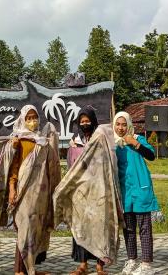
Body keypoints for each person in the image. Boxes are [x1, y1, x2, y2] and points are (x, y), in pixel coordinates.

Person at [7, 105, 59, 275]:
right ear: (23, 119)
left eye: (34, 117)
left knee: (35, 229)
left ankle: (31, 268)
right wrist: (12, 188)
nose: (32, 121)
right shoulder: (18, 140)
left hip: (40, 193)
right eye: (28, 118)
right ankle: (19, 270)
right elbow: (13, 167)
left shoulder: (42, 141)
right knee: (24, 228)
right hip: (24, 192)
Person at [113, 112, 158, 275]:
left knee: (144, 228)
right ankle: (131, 260)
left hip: (140, 189)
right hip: (124, 192)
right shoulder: (113, 144)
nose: (120, 127)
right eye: (117, 124)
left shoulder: (138, 139)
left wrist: (135, 144)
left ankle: (146, 265)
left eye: (124, 124)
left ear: (129, 125)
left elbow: (152, 156)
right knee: (128, 229)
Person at [66, 106, 107, 275]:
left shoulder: (100, 138)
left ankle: (100, 265)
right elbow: (70, 164)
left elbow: (106, 161)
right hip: (80, 191)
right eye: (82, 121)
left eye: (87, 120)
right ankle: (82, 264)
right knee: (81, 227)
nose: (85, 123)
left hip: (98, 189)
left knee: (98, 227)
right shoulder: (75, 140)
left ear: (93, 121)